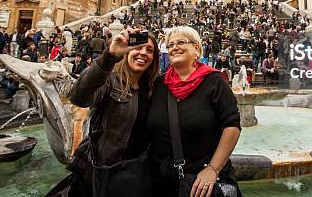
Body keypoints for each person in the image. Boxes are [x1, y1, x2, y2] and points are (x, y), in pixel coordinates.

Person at [147, 26, 242, 197]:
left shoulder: (214, 81)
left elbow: (232, 126)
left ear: (196, 49)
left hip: (202, 181)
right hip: (163, 180)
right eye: (170, 45)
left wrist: (213, 169)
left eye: (181, 42)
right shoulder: (159, 84)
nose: (174, 47)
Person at [68, 30, 160, 197]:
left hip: (136, 173)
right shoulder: (110, 79)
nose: (143, 53)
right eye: (137, 47)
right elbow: (79, 97)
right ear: (127, 50)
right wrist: (110, 56)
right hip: (104, 172)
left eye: (150, 50)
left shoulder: (153, 88)